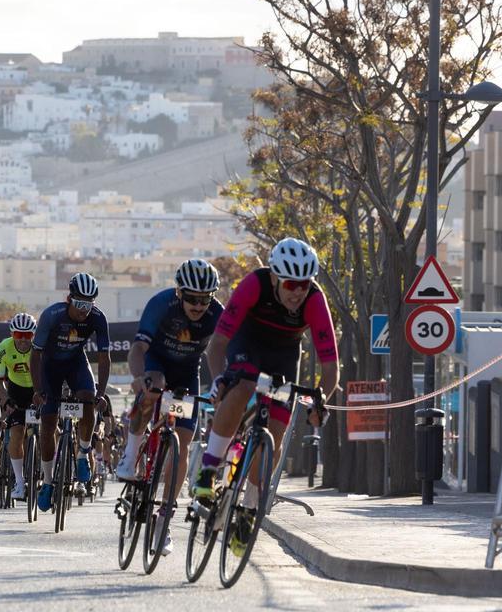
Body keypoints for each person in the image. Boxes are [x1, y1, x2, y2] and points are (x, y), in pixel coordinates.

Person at [192, 238, 338, 551]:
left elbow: (330, 368)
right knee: (243, 385)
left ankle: (248, 509)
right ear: (274, 277)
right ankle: (208, 470)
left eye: (304, 283)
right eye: (290, 283)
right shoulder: (253, 285)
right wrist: (219, 380)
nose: (298, 291)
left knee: (277, 432)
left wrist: (318, 401)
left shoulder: (314, 299)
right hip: (247, 343)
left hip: (284, 356)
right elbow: (216, 344)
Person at [119, 258, 224, 557]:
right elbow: (138, 348)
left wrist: (221, 386)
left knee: (183, 442)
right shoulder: (161, 304)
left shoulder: (218, 314)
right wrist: (139, 378)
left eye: (205, 299)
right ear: (179, 293)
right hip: (156, 363)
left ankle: (164, 520)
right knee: (152, 390)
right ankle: (130, 457)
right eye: (191, 298)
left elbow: (224, 352)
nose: (198, 305)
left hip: (188, 374)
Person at [31, 272, 110, 513]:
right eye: (79, 303)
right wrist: (37, 390)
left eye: (89, 304)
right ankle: (47, 482)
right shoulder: (52, 315)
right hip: (50, 366)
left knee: (88, 399)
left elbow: (104, 357)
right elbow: (35, 355)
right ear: (69, 299)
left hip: (76, 363)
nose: (84, 309)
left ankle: (82, 453)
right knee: (47, 424)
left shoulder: (97, 318)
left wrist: (101, 393)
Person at [0, 312, 37, 500]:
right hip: (16, 391)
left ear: (33, 335)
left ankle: (44, 473)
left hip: (37, 389)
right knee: (17, 434)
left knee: (46, 433)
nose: (23, 340)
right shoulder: (3, 348)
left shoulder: (39, 348)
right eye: (19, 335)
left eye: (28, 335)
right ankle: (20, 483)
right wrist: (6, 400)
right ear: (12, 334)